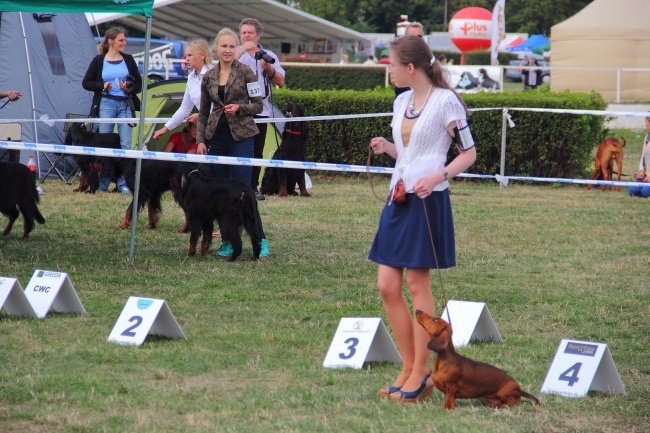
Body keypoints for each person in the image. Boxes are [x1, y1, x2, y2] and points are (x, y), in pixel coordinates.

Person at [368, 35, 477, 403]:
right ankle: (407, 364)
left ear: (411, 68)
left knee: (416, 284)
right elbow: (411, 153)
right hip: (398, 196)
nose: (389, 69)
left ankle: (421, 373)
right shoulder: (400, 102)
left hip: (428, 200)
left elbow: (469, 154)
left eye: (393, 64)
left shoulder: (447, 102)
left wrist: (438, 176)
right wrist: (388, 148)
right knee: (386, 284)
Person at [195, 27, 269, 257]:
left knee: (243, 192)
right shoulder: (208, 76)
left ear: (235, 48)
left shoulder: (247, 72)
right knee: (220, 193)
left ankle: (260, 239)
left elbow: (258, 104)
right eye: (223, 46)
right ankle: (228, 240)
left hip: (242, 137)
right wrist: (200, 140)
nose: (227, 50)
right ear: (215, 49)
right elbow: (203, 113)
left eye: (231, 46)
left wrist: (240, 108)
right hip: (216, 137)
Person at [83, 27, 142, 194]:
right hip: (106, 104)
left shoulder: (129, 60)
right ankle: (103, 182)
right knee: (103, 146)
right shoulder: (98, 61)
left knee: (125, 145)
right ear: (111, 42)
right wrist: (102, 86)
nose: (125, 43)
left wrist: (129, 88)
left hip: (125, 105)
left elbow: (138, 83)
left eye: (124, 40)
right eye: (121, 40)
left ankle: (124, 182)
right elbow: (86, 82)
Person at [235, 17, 286, 201]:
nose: (246, 36)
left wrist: (268, 68)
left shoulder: (267, 54)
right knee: (238, 149)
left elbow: (281, 80)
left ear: (258, 36)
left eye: (250, 33)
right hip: (238, 110)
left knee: (257, 150)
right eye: (243, 33)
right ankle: (237, 185)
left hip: (261, 111)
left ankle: (253, 186)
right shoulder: (235, 53)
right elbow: (222, 69)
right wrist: (241, 51)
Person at [153, 39, 214, 141]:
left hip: (223, 128)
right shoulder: (191, 78)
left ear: (203, 55)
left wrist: (200, 116)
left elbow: (219, 107)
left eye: (190, 55)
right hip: (207, 129)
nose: (186, 59)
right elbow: (184, 109)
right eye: (186, 56)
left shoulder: (214, 74)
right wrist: (165, 129)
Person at [394, 22, 427, 97]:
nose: (416, 40)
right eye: (412, 37)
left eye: (419, 36)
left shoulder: (429, 60)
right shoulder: (399, 59)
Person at [630, 116, 650, 197]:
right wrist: (641, 172)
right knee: (632, 191)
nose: (646, 125)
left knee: (645, 192)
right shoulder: (647, 138)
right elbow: (643, 156)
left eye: (647, 123)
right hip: (646, 176)